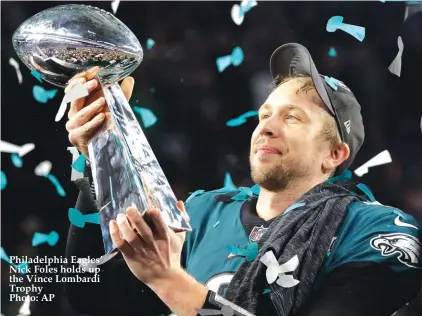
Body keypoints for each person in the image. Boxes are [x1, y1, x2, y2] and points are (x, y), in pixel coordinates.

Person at [64, 43, 421, 316]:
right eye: (265, 114)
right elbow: (92, 298)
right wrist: (100, 153)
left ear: (335, 154)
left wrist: (168, 280)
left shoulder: (372, 231)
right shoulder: (202, 211)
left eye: (292, 117)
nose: (266, 125)